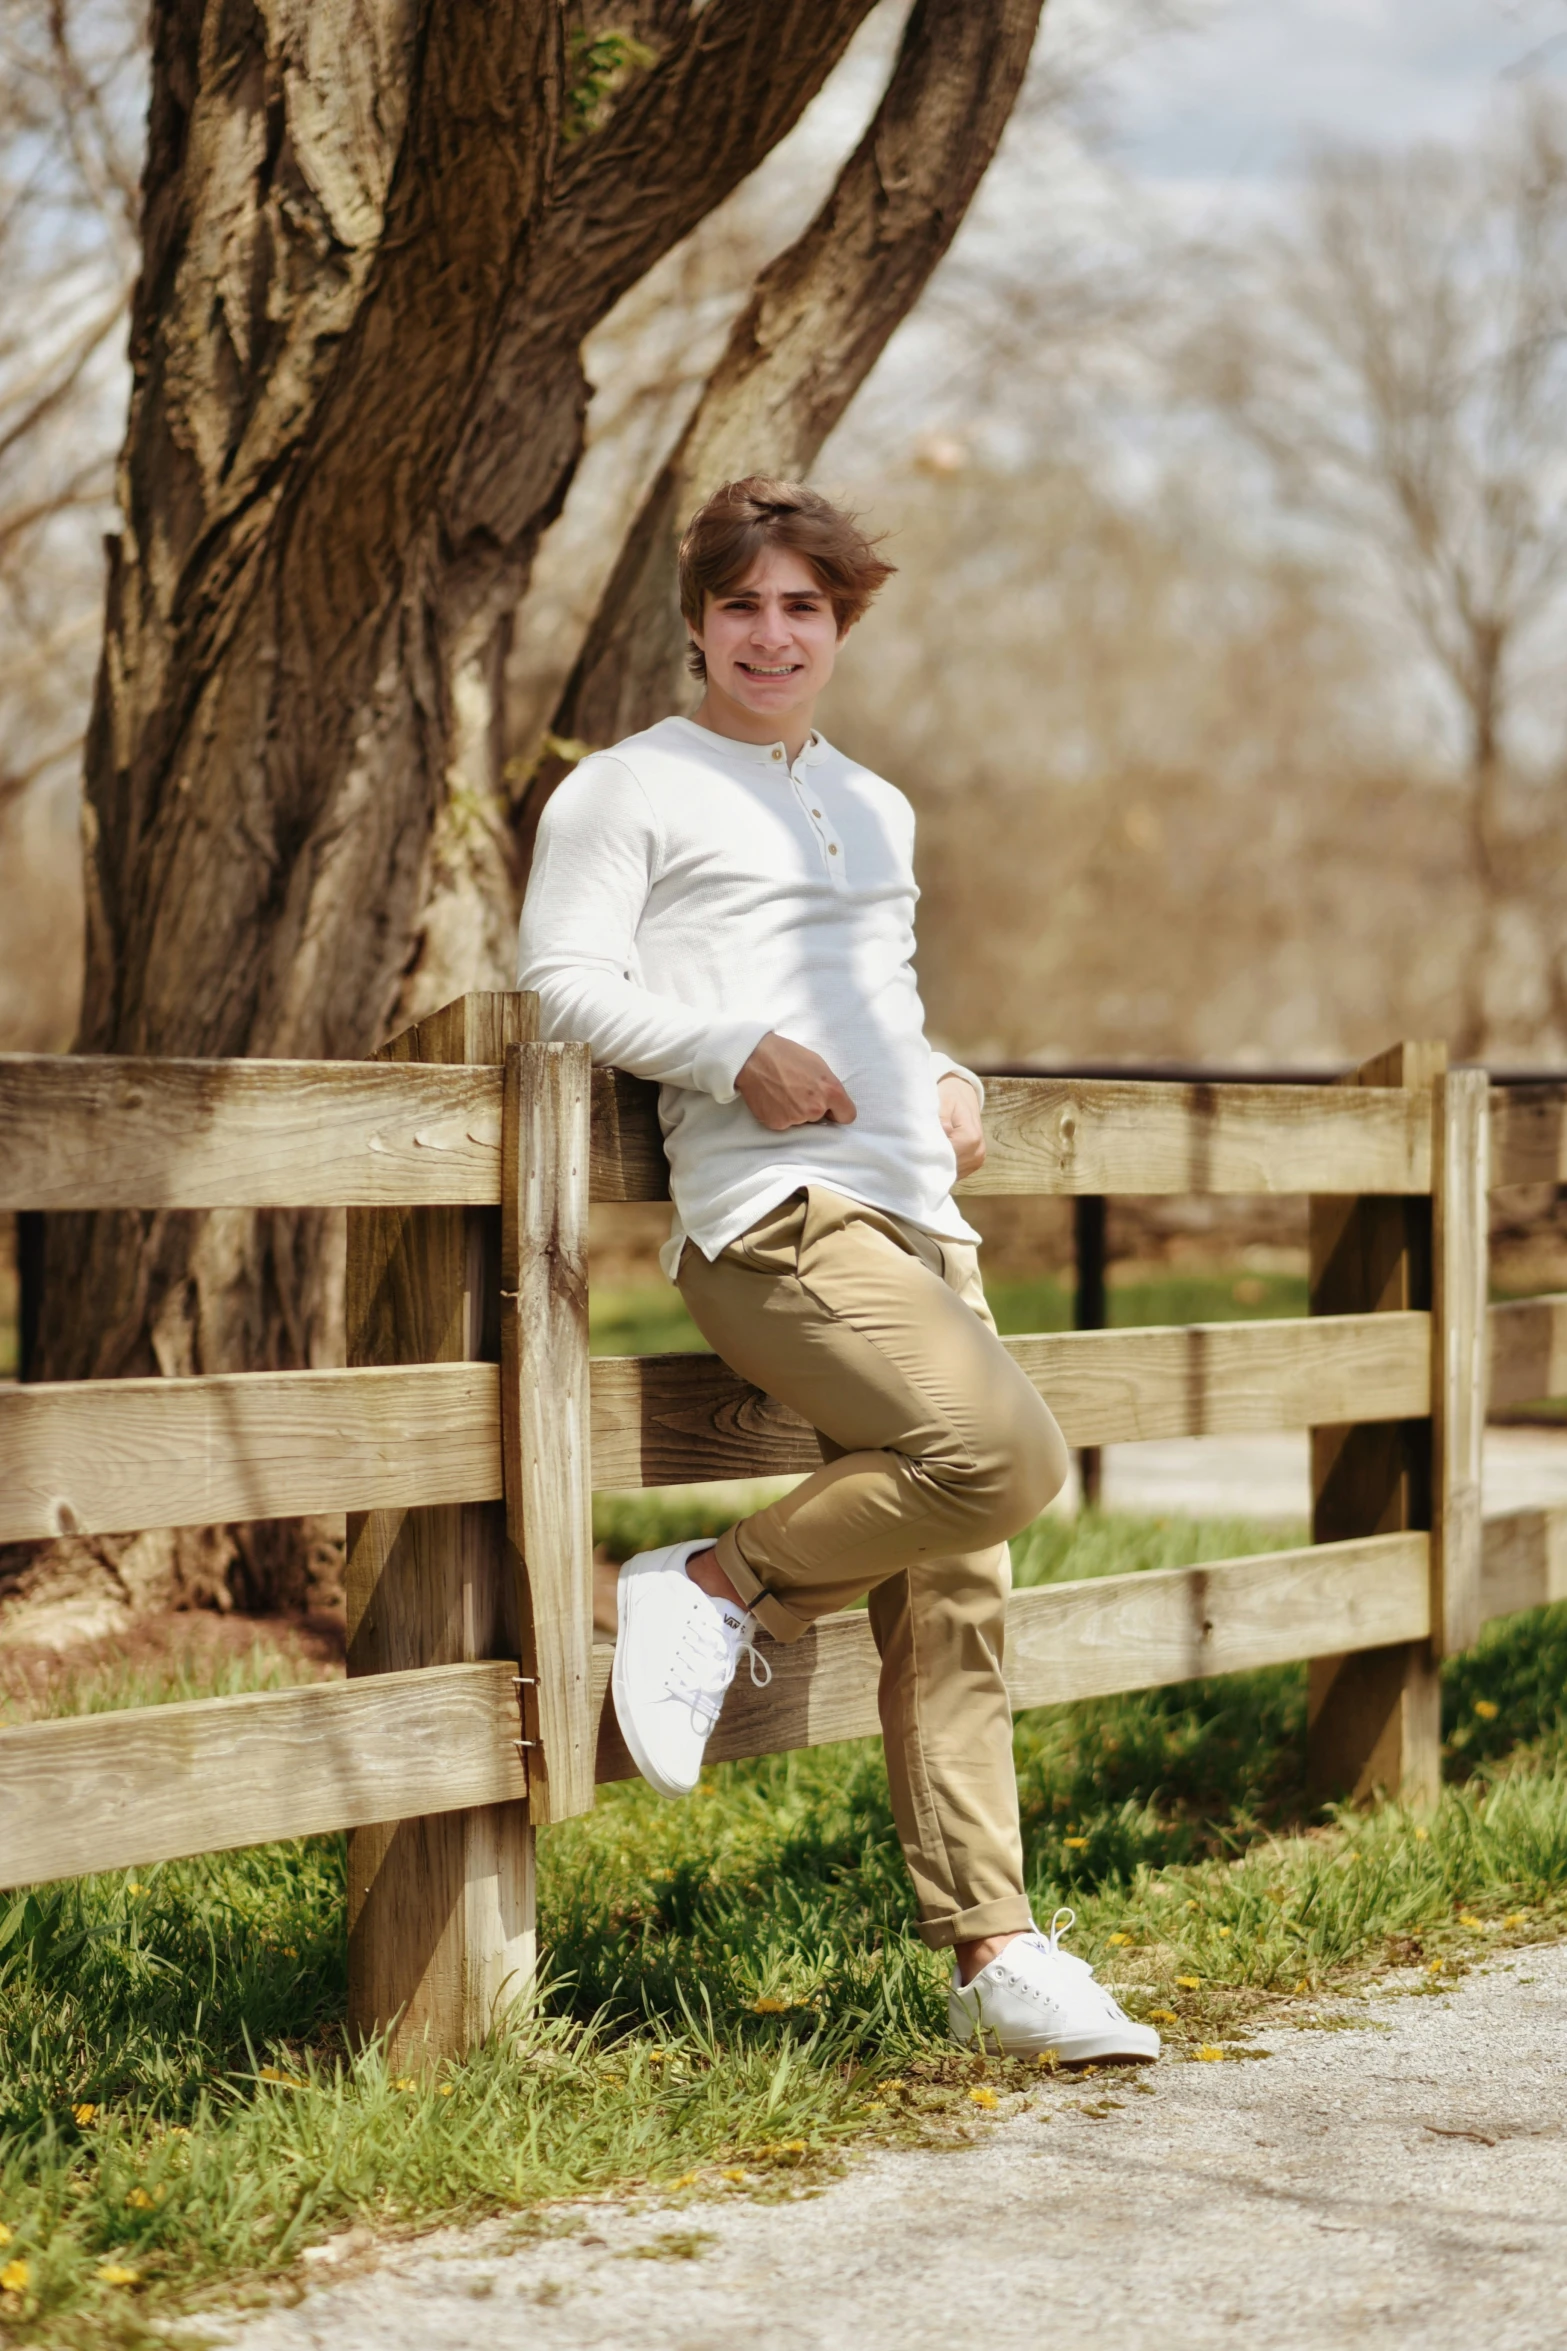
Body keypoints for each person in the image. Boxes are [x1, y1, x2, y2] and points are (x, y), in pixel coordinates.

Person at [517, 476, 1158, 2066]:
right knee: (1004, 1458)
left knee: (963, 1591)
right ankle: (714, 1581)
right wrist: (731, 1049)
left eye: (802, 605)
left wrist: (954, 1073)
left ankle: (993, 1950)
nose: (771, 632)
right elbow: (558, 980)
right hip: (772, 1220)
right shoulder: (625, 788)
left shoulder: (871, 802)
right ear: (697, 621)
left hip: (918, 1213)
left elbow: (876, 982)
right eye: (742, 604)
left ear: (839, 622)